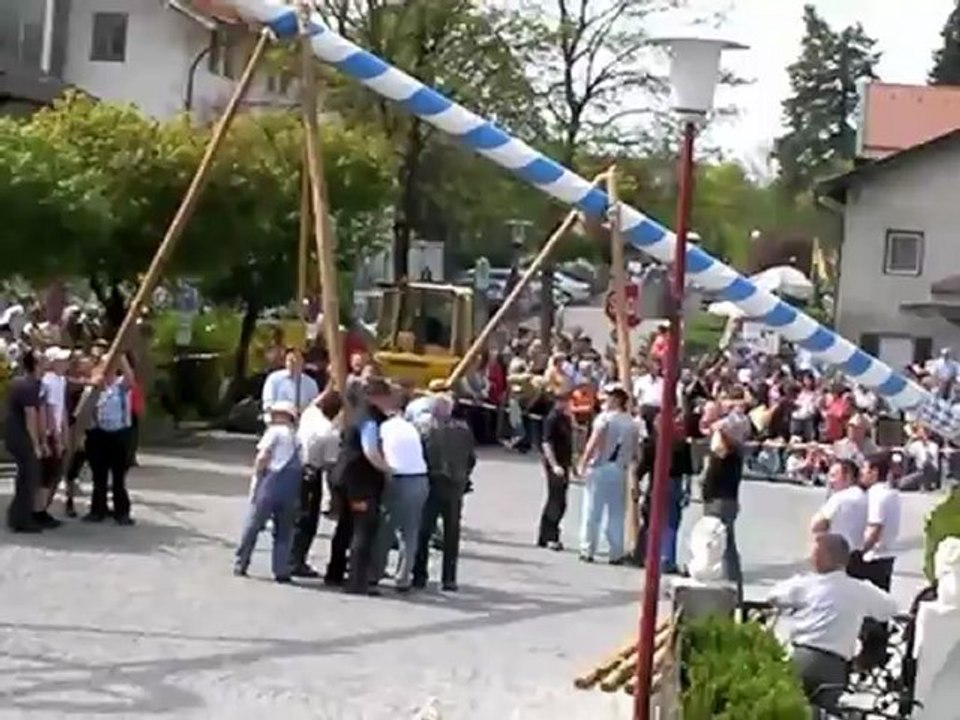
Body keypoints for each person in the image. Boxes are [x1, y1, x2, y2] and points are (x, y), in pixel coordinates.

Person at [768, 533, 897, 716]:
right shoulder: (859, 589)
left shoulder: (805, 585)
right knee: (829, 712)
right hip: (834, 664)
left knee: (792, 710)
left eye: (815, 555)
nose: (811, 559)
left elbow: (774, 596)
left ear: (825, 558)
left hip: (802, 657)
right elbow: (890, 608)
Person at [331, 378, 393, 595]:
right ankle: (357, 581)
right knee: (363, 530)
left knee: (345, 526)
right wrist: (386, 468)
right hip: (360, 483)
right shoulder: (369, 419)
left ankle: (334, 573)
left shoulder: (354, 414)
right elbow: (370, 450)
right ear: (377, 397)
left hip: (342, 478)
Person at [234, 400, 302, 583]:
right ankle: (281, 569)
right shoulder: (296, 437)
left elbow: (263, 456)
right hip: (291, 486)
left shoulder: (274, 432)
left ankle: (241, 562)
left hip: (271, 482)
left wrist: (257, 477)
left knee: (254, 524)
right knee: (284, 530)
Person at [412, 396, 476, 591]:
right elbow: (471, 458)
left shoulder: (423, 428)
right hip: (455, 485)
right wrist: (464, 475)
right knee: (451, 532)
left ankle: (419, 575)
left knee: (424, 530)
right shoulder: (464, 430)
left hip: (432, 482)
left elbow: (420, 454)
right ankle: (449, 578)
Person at [373, 395, 430, 592]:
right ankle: (404, 577)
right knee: (410, 530)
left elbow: (378, 453)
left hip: (399, 478)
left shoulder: (383, 428)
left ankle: (375, 572)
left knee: (386, 528)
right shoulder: (410, 427)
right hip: (420, 478)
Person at [577, 385, 637, 564]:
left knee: (592, 510)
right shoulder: (632, 422)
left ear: (617, 399)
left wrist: (583, 462)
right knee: (616, 512)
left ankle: (587, 548)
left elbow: (595, 442)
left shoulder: (604, 419)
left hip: (601, 466)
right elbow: (636, 451)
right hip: (620, 468)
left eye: (609, 396)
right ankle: (616, 551)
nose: (605, 400)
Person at [701, 388, 749, 602]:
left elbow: (731, 425)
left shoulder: (731, 453)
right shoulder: (728, 452)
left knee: (722, 542)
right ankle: (726, 581)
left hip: (722, 498)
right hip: (719, 497)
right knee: (720, 541)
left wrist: (720, 425)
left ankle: (731, 585)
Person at [289, 389, 343, 579]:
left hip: (295, 465)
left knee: (295, 514)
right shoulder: (329, 432)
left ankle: (288, 556)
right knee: (308, 519)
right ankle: (296, 561)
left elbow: (315, 402)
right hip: (312, 473)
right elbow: (330, 464)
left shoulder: (310, 414)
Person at [634, 409, 693, 574]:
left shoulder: (652, 443)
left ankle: (647, 555)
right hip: (675, 483)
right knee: (672, 523)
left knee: (652, 520)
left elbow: (641, 469)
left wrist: (636, 485)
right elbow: (688, 471)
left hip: (657, 484)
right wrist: (687, 491)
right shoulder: (682, 443)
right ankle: (668, 558)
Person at [859, 451, 902, 668]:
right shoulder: (892, 494)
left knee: (866, 607)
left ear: (875, 472)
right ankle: (878, 652)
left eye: (865, 470)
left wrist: (858, 552)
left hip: (873, 556)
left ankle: (868, 653)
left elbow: (874, 528)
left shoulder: (876, 495)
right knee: (880, 604)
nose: (862, 475)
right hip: (887, 555)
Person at [84, 354, 136, 525]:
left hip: (119, 433)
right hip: (98, 434)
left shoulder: (120, 384)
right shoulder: (94, 386)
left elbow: (131, 380)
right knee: (99, 476)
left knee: (118, 477)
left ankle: (122, 512)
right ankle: (98, 510)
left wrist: (119, 356)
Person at [5, 350, 46, 533]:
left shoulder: (21, 383)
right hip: (21, 436)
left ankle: (16, 516)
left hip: (14, 435)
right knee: (29, 477)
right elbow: (31, 417)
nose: (45, 362)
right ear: (35, 365)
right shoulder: (28, 386)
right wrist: (37, 444)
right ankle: (22, 519)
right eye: (42, 360)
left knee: (24, 477)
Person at [810, 459, 868, 574]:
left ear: (848, 476)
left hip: (836, 557)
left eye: (833, 476)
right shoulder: (866, 497)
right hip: (860, 556)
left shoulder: (839, 498)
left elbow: (816, 525)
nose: (830, 481)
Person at [538, 390, 574, 551]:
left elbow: (569, 444)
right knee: (556, 500)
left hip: (564, 462)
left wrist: (572, 465)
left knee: (561, 501)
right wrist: (553, 465)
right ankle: (550, 536)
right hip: (556, 464)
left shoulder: (565, 418)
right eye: (565, 400)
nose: (568, 403)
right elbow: (546, 443)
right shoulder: (552, 418)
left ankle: (547, 534)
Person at [39, 346, 71, 526]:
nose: (65, 363)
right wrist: (57, 438)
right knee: (47, 474)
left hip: (58, 430)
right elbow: (50, 410)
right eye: (61, 360)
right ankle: (40, 510)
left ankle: (44, 508)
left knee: (54, 473)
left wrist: (65, 432)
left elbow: (62, 409)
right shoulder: (48, 382)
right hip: (50, 433)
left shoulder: (62, 380)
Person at [261, 347, 320, 415]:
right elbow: (267, 405)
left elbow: (315, 406)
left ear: (303, 363)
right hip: (279, 420)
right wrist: (285, 409)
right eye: (290, 360)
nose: (294, 363)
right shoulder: (274, 379)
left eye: (298, 360)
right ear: (285, 363)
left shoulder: (311, 383)